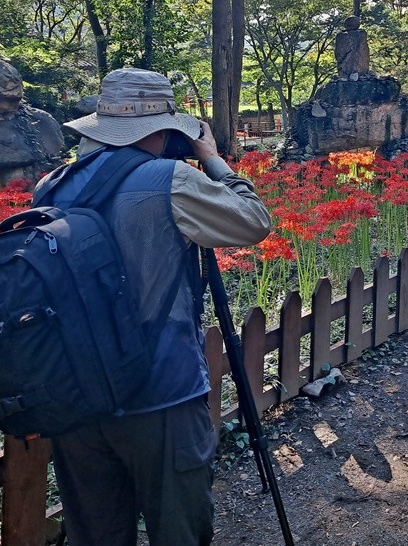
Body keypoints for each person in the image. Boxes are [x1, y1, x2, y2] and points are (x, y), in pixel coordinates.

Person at [38, 67, 272, 546]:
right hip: (159, 393)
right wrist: (212, 160)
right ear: (163, 129)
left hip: (76, 395)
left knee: (95, 534)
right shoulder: (169, 180)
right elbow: (253, 222)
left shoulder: (52, 184)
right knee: (179, 531)